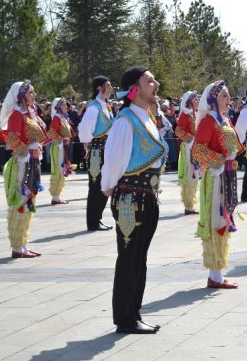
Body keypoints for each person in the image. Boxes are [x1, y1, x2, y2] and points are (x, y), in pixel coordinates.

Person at [101, 66, 168, 334]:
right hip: (131, 199)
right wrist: (108, 187)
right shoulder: (125, 121)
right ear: (134, 89)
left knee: (139, 257)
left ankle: (133, 313)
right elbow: (114, 159)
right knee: (130, 258)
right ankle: (125, 319)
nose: (156, 84)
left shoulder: (146, 117)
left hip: (148, 196)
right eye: (150, 81)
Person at [191, 80, 245, 288]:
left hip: (227, 175)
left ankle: (218, 273)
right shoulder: (207, 122)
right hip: (215, 177)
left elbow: (231, 148)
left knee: (224, 219)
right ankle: (215, 274)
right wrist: (217, 163)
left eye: (228, 95)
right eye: (224, 96)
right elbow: (198, 150)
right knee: (217, 220)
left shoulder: (225, 120)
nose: (228, 99)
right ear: (213, 99)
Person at [1, 81, 47, 258]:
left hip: (33, 161)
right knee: (20, 201)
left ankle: (23, 243)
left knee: (30, 202)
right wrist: (25, 153)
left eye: (34, 92)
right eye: (30, 92)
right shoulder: (17, 115)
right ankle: (16, 246)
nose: (34, 95)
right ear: (21, 95)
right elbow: (11, 138)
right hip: (23, 163)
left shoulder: (30, 113)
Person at [78, 76, 114, 231]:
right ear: (100, 88)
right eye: (108, 85)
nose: (111, 88)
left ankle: (97, 218)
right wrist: (88, 142)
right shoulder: (94, 108)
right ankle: (93, 221)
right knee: (95, 186)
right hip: (97, 152)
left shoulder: (105, 106)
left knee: (104, 184)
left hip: (106, 150)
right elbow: (84, 128)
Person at [175, 91, 200, 215]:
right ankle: (188, 205)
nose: (197, 101)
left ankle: (190, 204)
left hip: (194, 147)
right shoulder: (185, 114)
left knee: (195, 175)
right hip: (189, 147)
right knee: (190, 175)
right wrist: (190, 139)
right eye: (195, 99)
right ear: (189, 101)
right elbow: (178, 131)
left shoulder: (194, 114)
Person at [48, 98, 74, 205]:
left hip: (64, 147)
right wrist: (60, 142)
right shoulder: (57, 118)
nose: (65, 106)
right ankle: (55, 197)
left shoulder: (63, 117)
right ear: (58, 106)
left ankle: (57, 196)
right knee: (58, 170)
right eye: (63, 105)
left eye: (65, 105)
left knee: (62, 169)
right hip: (59, 147)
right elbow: (52, 132)